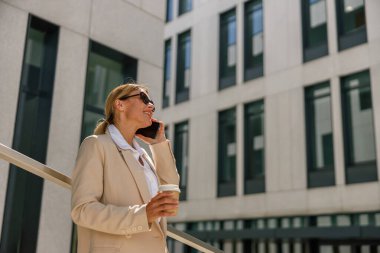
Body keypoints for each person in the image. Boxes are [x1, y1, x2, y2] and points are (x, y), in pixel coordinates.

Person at [71, 83, 180, 253]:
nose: (151, 105)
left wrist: (159, 143)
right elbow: (83, 210)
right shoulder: (96, 144)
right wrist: (142, 215)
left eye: (151, 101)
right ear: (119, 104)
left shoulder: (142, 155)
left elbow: (170, 189)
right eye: (143, 98)